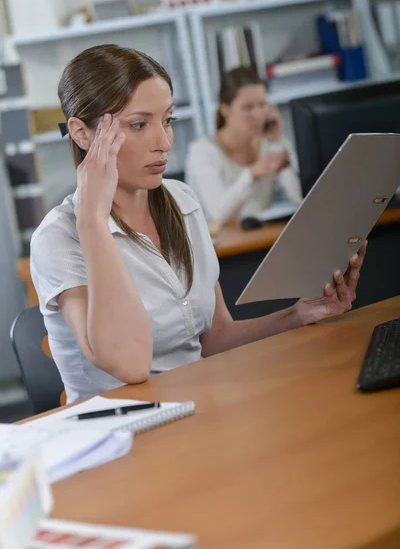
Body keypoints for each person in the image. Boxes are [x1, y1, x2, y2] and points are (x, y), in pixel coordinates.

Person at [30, 44, 366, 404]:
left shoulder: (181, 202)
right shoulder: (59, 237)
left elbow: (214, 337)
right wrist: (94, 221)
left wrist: (299, 313)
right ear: (81, 133)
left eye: (168, 120)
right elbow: (131, 366)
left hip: (200, 406)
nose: (164, 142)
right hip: (120, 435)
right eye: (140, 124)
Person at [185, 66, 302, 224]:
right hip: (224, 246)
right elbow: (218, 215)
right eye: (248, 107)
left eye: (262, 105)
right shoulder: (202, 151)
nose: (258, 114)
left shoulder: (271, 143)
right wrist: (252, 174)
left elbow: (301, 198)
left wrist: (278, 143)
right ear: (226, 110)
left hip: (259, 239)